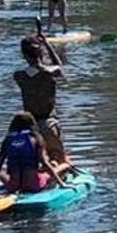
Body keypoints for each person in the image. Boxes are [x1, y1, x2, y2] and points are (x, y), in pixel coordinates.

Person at [13, 34, 73, 177]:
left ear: (24, 55)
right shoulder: (50, 73)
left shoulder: (19, 75)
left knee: (41, 161)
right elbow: (58, 66)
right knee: (58, 159)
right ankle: (59, 177)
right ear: (40, 53)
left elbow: (34, 70)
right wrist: (47, 44)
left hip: (30, 127)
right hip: (48, 123)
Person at [0, 112, 70, 194]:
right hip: (34, 186)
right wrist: (62, 184)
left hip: (13, 187)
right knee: (57, 166)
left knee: (1, 171)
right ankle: (66, 168)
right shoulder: (35, 138)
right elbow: (45, 163)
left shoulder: (7, 140)